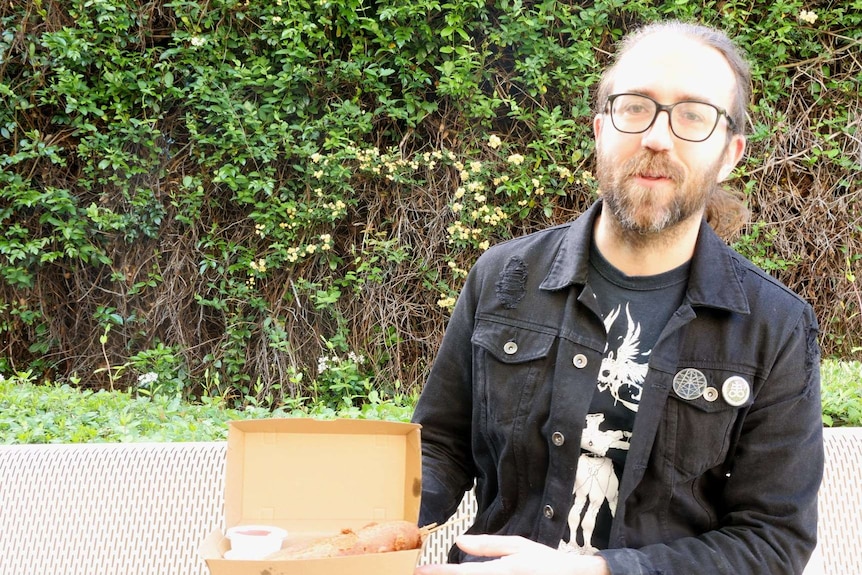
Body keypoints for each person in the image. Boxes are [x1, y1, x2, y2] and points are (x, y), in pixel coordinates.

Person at [412, 19, 823, 575]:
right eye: (636, 107)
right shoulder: (503, 276)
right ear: (601, 128)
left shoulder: (775, 326)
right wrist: (361, 522)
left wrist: (597, 570)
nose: (658, 136)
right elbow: (439, 446)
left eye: (694, 116)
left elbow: (773, 542)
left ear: (731, 153)